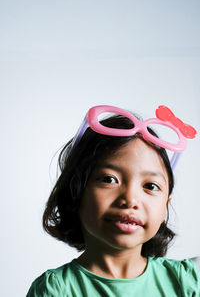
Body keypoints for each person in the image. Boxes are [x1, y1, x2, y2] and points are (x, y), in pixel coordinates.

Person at [27, 105, 199, 296]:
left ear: (165, 206)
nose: (130, 199)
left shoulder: (185, 281)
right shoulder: (56, 290)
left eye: (150, 186)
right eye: (109, 179)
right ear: (76, 192)